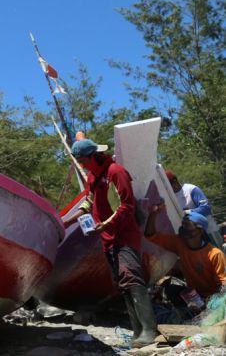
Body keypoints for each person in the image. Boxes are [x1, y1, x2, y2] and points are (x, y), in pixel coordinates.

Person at [70, 138, 158, 347]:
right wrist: (66, 221)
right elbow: (89, 201)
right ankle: (137, 330)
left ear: (93, 156)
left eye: (82, 161)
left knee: (132, 278)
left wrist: (105, 225)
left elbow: (126, 206)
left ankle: (149, 329)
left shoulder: (115, 172)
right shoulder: (93, 176)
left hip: (124, 235)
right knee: (122, 284)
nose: (81, 166)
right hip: (108, 238)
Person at [145, 201, 226, 316]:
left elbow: (223, 285)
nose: (183, 228)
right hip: (193, 295)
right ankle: (189, 313)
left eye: (187, 225)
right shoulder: (179, 243)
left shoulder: (214, 254)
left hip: (212, 298)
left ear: (200, 230)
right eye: (183, 225)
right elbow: (150, 235)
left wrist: (213, 303)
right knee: (170, 290)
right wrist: (154, 214)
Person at [164, 170, 223, 249]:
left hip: (209, 231)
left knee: (219, 254)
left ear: (174, 181)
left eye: (169, 185)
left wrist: (187, 212)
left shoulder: (191, 189)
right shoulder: (171, 198)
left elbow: (206, 208)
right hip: (194, 236)